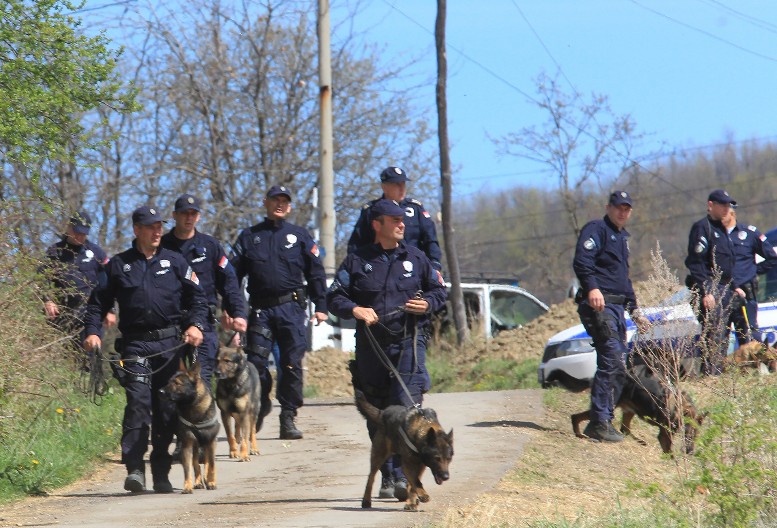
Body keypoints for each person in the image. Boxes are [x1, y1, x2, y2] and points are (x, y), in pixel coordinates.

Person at [327, 198, 448, 501]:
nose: (401, 224)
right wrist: (356, 309)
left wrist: (427, 304)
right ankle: (388, 474)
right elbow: (334, 297)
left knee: (405, 411)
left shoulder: (417, 258)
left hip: (408, 343)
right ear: (377, 225)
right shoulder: (356, 260)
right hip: (371, 347)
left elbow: (439, 292)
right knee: (379, 414)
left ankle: (403, 478)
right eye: (394, 220)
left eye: (402, 220)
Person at [83, 205, 208, 494]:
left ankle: (161, 471)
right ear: (137, 230)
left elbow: (199, 300)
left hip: (170, 345)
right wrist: (92, 332)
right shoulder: (117, 265)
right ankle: (135, 469)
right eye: (151, 226)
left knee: (166, 410)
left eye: (159, 226)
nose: (158, 231)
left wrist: (196, 325)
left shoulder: (176, 262)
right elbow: (96, 304)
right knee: (138, 404)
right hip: (136, 345)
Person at [230, 185, 328, 440]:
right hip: (261, 309)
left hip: (292, 309)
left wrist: (321, 306)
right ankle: (261, 402)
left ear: (290, 206)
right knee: (256, 364)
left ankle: (288, 416)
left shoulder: (300, 235)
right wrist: (233, 311)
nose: (280, 204)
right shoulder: (249, 237)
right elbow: (232, 278)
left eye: (285, 201)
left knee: (292, 364)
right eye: (276, 200)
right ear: (266, 202)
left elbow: (316, 272)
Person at [573, 190, 649, 443]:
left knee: (618, 363)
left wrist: (635, 309)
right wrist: (592, 287)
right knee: (612, 358)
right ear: (608, 207)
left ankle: (604, 418)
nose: (622, 212)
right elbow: (583, 262)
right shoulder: (596, 229)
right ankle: (598, 422)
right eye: (618, 207)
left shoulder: (621, 237)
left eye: (627, 209)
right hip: (599, 305)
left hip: (616, 307)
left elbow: (623, 279)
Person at [161, 193, 247, 385]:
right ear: (174, 215)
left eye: (193, 213)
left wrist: (238, 313)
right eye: (184, 213)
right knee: (170, 381)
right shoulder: (161, 247)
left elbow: (229, 283)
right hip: (170, 323)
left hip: (203, 322)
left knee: (201, 381)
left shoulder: (210, 246)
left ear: (198, 216)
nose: (189, 218)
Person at [692, 193, 777, 353]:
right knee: (720, 337)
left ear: (733, 213)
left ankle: (753, 370)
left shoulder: (748, 233)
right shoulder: (713, 235)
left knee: (750, 336)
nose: (724, 213)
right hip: (723, 293)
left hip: (745, 292)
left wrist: (753, 272)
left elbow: (772, 257)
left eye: (728, 209)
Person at [347, 166, 443, 271]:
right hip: (379, 269)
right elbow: (356, 244)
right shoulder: (371, 211)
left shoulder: (415, 209)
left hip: (413, 269)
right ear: (384, 187)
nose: (402, 189)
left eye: (403, 184)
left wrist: (434, 264)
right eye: (397, 185)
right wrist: (358, 268)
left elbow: (430, 240)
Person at [41, 211, 115, 337]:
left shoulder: (97, 253)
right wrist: (48, 300)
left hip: (90, 318)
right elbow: (42, 278)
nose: (79, 236)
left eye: (83, 233)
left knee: (89, 355)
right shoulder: (55, 252)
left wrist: (110, 309)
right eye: (77, 232)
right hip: (62, 316)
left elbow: (107, 283)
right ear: (69, 227)